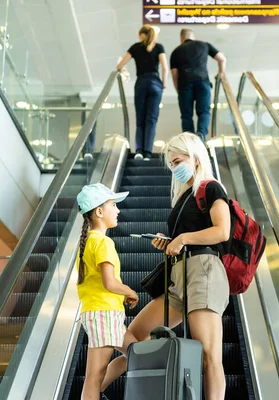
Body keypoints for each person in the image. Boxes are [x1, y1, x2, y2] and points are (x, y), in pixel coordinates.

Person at [99, 132, 231, 400]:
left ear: (195, 158)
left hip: (204, 271)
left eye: (178, 161)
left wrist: (183, 238)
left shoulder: (211, 188)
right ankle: (91, 392)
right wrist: (169, 241)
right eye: (171, 164)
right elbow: (189, 234)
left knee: (209, 353)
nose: (174, 168)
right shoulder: (183, 197)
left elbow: (222, 232)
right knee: (134, 339)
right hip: (178, 275)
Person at [75, 183, 139, 400]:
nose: (118, 210)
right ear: (99, 212)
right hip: (104, 313)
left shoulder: (88, 243)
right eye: (113, 205)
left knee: (136, 354)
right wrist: (130, 291)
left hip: (103, 312)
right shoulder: (103, 242)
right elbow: (110, 283)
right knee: (94, 376)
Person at [117, 25, 168, 161]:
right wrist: (164, 82)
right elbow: (164, 67)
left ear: (142, 35)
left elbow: (119, 65)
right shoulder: (159, 47)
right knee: (151, 119)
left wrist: (122, 69)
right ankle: (148, 153)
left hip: (141, 82)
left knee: (140, 120)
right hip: (155, 82)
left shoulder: (135, 47)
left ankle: (139, 150)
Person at [170, 29, 227, 143]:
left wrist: (178, 90)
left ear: (181, 38)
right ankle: (201, 134)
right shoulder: (204, 45)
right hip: (203, 82)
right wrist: (221, 73)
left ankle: (189, 140)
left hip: (185, 84)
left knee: (186, 115)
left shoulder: (176, 51)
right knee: (204, 112)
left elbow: (174, 74)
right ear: (193, 36)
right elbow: (222, 59)